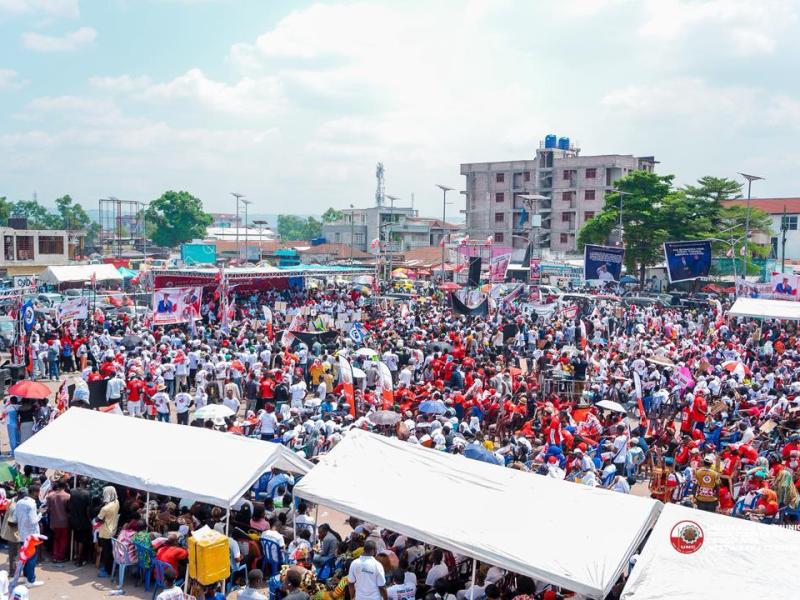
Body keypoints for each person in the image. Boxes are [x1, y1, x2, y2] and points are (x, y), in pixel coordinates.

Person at [13, 488, 42, 587]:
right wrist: (41, 513)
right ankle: (31, 580)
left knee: (26, 557)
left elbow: (15, 519)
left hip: (22, 534)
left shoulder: (19, 502)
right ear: (35, 493)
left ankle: (26, 578)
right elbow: (33, 521)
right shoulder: (32, 504)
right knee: (32, 559)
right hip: (32, 535)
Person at [68, 476, 92, 566]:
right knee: (81, 540)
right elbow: (88, 510)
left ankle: (75, 555)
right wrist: (89, 520)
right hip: (83, 520)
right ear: (87, 484)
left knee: (76, 538)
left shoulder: (72, 491)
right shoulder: (88, 494)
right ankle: (79, 559)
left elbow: (69, 506)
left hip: (73, 519)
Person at [97, 486, 120, 578]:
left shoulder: (105, 508)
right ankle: (111, 568)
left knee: (106, 553)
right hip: (113, 529)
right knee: (110, 552)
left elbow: (98, 519)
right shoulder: (117, 502)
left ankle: (108, 571)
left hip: (105, 532)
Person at [45, 480, 71, 562]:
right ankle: (60, 557)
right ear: (65, 486)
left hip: (54, 522)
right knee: (63, 540)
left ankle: (55, 556)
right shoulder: (68, 496)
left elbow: (48, 510)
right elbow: (69, 510)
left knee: (56, 539)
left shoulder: (50, 496)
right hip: (64, 522)